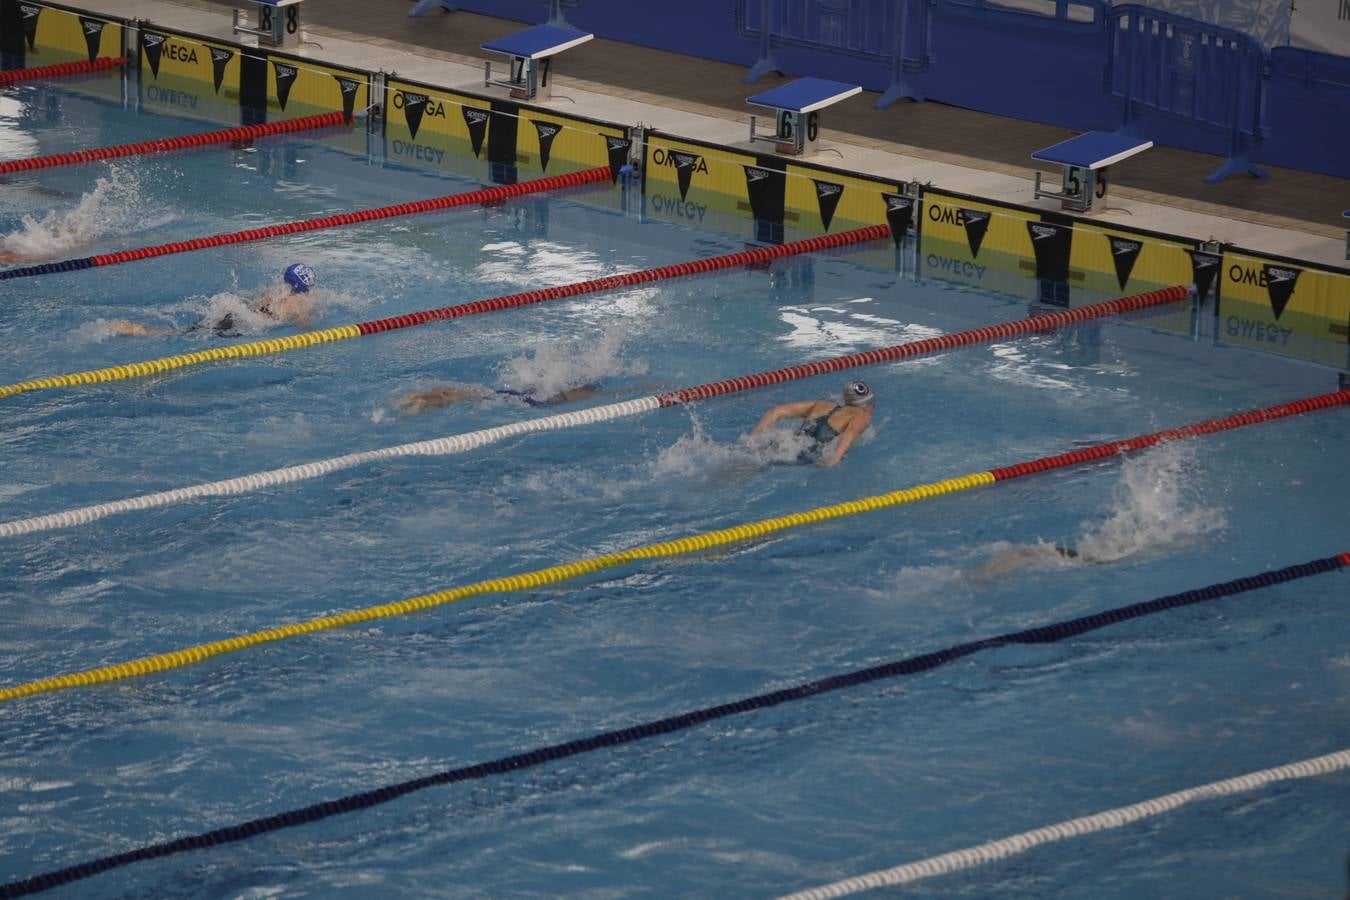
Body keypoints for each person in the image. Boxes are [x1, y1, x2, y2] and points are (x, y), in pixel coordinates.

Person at [106, 263, 318, 337]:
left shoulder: (274, 290)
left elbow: (254, 306)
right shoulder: (300, 303)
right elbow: (306, 327)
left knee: (189, 331)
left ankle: (138, 329)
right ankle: (139, 331)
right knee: (185, 336)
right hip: (245, 323)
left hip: (237, 313)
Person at [751, 379, 875, 467]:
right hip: (801, 457)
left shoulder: (821, 405)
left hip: (787, 444)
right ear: (867, 404)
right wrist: (834, 459)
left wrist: (753, 438)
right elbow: (851, 432)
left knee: (751, 462)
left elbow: (776, 411)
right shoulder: (862, 415)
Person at [395, 382, 603, 415]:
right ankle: (423, 400)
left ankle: (423, 396)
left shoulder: (556, 387)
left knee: (471, 393)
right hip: (532, 402)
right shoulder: (569, 395)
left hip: (516, 393)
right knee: (472, 396)